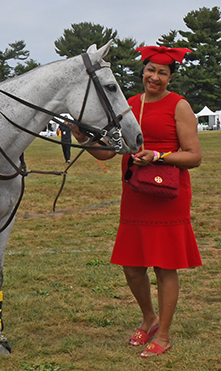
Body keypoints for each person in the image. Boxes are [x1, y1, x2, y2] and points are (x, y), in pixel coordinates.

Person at [71, 45, 202, 358]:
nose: (154, 77)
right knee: (132, 267)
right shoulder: (129, 104)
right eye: (150, 70)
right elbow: (109, 151)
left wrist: (157, 155)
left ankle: (165, 334)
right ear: (142, 71)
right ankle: (149, 318)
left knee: (165, 267)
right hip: (135, 193)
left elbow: (194, 156)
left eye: (162, 73)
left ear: (171, 77)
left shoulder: (179, 106)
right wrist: (82, 137)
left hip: (169, 195)